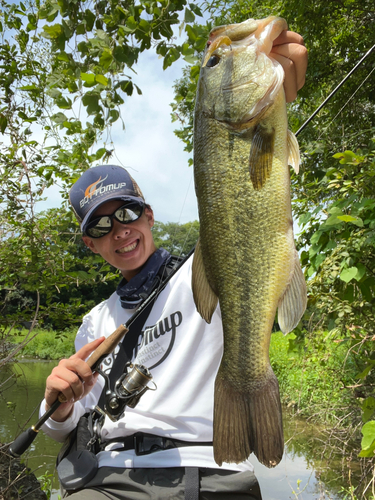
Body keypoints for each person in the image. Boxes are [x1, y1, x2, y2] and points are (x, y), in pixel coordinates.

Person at [40, 30, 308, 500]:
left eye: (125, 214)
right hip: (109, 477)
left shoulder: (200, 271)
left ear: (148, 215)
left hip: (207, 470)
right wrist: (58, 405)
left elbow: (252, 218)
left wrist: (281, 82)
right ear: (90, 245)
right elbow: (68, 431)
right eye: (101, 227)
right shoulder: (94, 323)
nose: (119, 231)